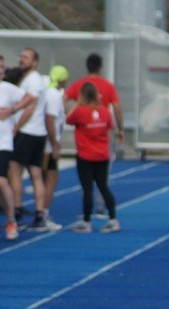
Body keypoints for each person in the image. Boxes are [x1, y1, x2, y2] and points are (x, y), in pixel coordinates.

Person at [64, 53, 125, 219]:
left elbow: (66, 101)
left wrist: (72, 107)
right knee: (103, 182)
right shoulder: (106, 91)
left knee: (86, 184)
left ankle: (86, 216)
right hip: (102, 138)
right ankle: (103, 210)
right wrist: (120, 129)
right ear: (100, 67)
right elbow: (116, 108)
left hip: (85, 143)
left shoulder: (79, 88)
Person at [66, 82, 119, 234]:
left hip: (85, 155)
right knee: (103, 187)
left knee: (87, 189)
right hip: (102, 155)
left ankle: (86, 222)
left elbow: (68, 119)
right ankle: (113, 219)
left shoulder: (80, 111)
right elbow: (109, 129)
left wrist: (77, 103)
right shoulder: (104, 111)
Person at [8, 48, 50, 231]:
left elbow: (30, 107)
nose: (21, 60)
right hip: (37, 132)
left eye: (25, 57)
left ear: (34, 62)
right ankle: (39, 213)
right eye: (21, 56)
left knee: (14, 171)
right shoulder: (30, 79)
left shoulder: (33, 80)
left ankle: (16, 210)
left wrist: (16, 128)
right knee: (35, 173)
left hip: (28, 131)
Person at [0, 53, 33, 240]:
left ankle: (11, 221)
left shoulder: (7, 88)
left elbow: (30, 98)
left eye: (1, 66)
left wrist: (12, 110)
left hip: (2, 143)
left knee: (1, 181)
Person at [42, 65, 69, 229]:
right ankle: (43, 214)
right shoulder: (53, 95)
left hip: (44, 142)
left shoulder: (48, 93)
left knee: (44, 178)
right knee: (51, 178)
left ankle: (41, 213)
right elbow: (50, 121)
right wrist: (54, 144)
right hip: (46, 145)